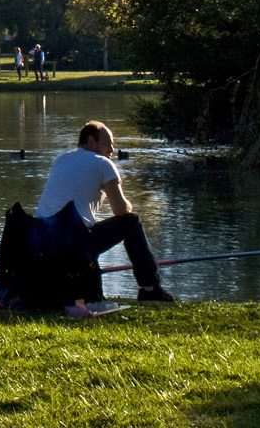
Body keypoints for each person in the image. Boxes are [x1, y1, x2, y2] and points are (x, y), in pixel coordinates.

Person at [35, 120, 176, 302]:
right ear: (91, 141)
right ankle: (150, 288)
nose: (112, 149)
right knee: (131, 222)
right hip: (74, 243)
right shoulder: (103, 164)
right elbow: (120, 210)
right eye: (108, 143)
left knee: (87, 225)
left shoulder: (61, 159)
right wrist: (128, 205)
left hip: (42, 240)